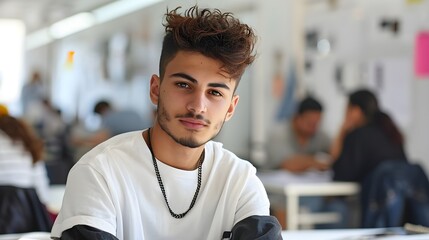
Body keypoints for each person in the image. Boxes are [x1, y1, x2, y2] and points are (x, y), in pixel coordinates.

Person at [51, 5, 282, 240]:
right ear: (155, 89)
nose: (197, 106)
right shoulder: (100, 172)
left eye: (215, 93)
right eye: (184, 85)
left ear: (230, 108)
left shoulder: (239, 180)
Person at [331, 88, 407, 182]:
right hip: (399, 192)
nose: (345, 115)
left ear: (356, 111)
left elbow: (341, 176)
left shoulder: (358, 136)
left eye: (347, 110)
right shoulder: (390, 131)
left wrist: (342, 132)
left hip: (376, 194)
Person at [266, 96, 331, 172]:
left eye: (317, 124)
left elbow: (335, 154)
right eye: (310, 123)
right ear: (296, 118)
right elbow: (288, 165)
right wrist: (315, 162)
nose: (314, 128)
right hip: (275, 182)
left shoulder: (319, 135)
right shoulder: (278, 135)